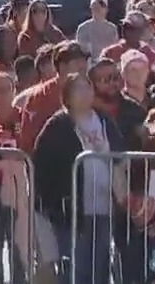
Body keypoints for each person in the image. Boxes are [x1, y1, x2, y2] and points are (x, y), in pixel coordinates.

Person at [33, 72, 124, 284]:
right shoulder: (58, 125)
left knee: (100, 266)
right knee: (75, 267)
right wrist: (49, 202)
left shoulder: (104, 121)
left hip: (104, 206)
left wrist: (121, 194)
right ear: (67, 96)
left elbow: (120, 157)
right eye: (78, 89)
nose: (84, 93)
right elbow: (42, 164)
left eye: (87, 87)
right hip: (72, 211)